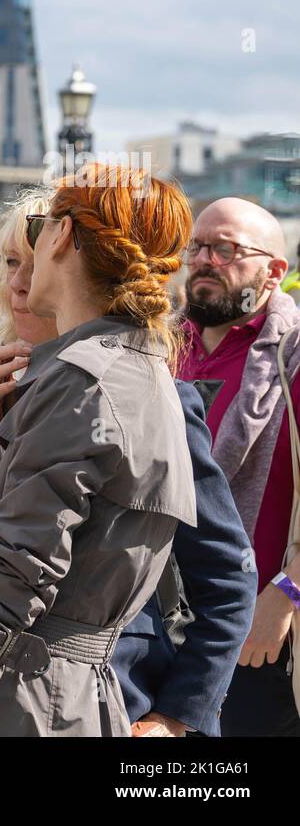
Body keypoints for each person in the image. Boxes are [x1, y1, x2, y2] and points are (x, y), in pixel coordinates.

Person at [0, 184, 254, 738]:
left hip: (79, 687)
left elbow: (226, 572)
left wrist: (177, 715)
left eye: (33, 253)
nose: (18, 282)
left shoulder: (115, 382)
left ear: (63, 244)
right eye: (8, 262)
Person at [178, 197, 300, 736]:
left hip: (260, 637)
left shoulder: (293, 355)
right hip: (157, 624)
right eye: (197, 247)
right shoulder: (156, 348)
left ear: (275, 271)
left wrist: (287, 592)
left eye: (225, 249)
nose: (205, 259)